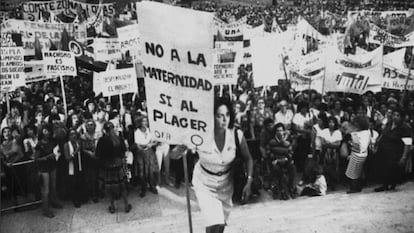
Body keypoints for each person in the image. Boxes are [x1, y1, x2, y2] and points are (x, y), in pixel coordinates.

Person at [192, 97, 253, 233]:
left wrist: (249, 181)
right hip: (204, 183)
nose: (225, 120)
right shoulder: (200, 134)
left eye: (227, 115)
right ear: (212, 116)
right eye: (220, 116)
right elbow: (174, 155)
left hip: (226, 185)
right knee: (214, 220)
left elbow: (248, 158)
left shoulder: (236, 135)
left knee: (221, 224)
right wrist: (180, 148)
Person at [374, 108, 412, 192]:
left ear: (401, 117)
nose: (395, 117)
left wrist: (404, 157)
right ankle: (385, 185)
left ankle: (391, 184)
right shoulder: (389, 123)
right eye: (394, 115)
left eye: (397, 115)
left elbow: (407, 143)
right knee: (383, 168)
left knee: (393, 169)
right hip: (384, 150)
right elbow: (383, 134)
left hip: (396, 151)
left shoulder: (405, 127)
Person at [96, 122, 131, 213]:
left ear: (104, 130)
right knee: (122, 186)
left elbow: (98, 155)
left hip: (107, 167)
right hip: (118, 165)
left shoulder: (102, 140)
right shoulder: (119, 139)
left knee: (109, 187)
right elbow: (124, 151)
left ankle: (112, 206)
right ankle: (126, 205)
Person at [35, 124, 62, 218]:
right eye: (45, 131)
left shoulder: (52, 141)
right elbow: (36, 159)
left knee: (53, 186)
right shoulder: (39, 144)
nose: (47, 133)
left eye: (48, 131)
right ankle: (46, 209)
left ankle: (54, 202)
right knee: (45, 190)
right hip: (43, 169)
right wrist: (47, 157)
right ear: (42, 132)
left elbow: (57, 151)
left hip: (52, 166)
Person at [133, 116, 159, 197]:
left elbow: (154, 141)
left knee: (151, 170)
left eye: (146, 121)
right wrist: (147, 145)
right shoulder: (137, 132)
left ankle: (152, 186)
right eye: (144, 121)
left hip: (150, 153)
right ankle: (143, 188)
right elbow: (138, 146)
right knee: (142, 172)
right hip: (141, 154)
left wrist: (152, 143)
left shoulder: (149, 130)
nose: (146, 123)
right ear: (140, 123)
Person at [345, 117, 370, 193]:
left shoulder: (357, 134)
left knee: (353, 173)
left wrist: (352, 134)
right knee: (358, 172)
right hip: (363, 153)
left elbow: (357, 146)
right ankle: (357, 187)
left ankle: (354, 188)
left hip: (357, 153)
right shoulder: (367, 132)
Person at [63, 128, 86, 207]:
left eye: (74, 134)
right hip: (71, 166)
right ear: (68, 136)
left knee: (79, 182)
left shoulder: (78, 142)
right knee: (73, 183)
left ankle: (81, 197)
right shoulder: (66, 145)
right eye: (71, 134)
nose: (73, 136)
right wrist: (75, 152)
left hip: (79, 165)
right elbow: (67, 158)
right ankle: (75, 199)